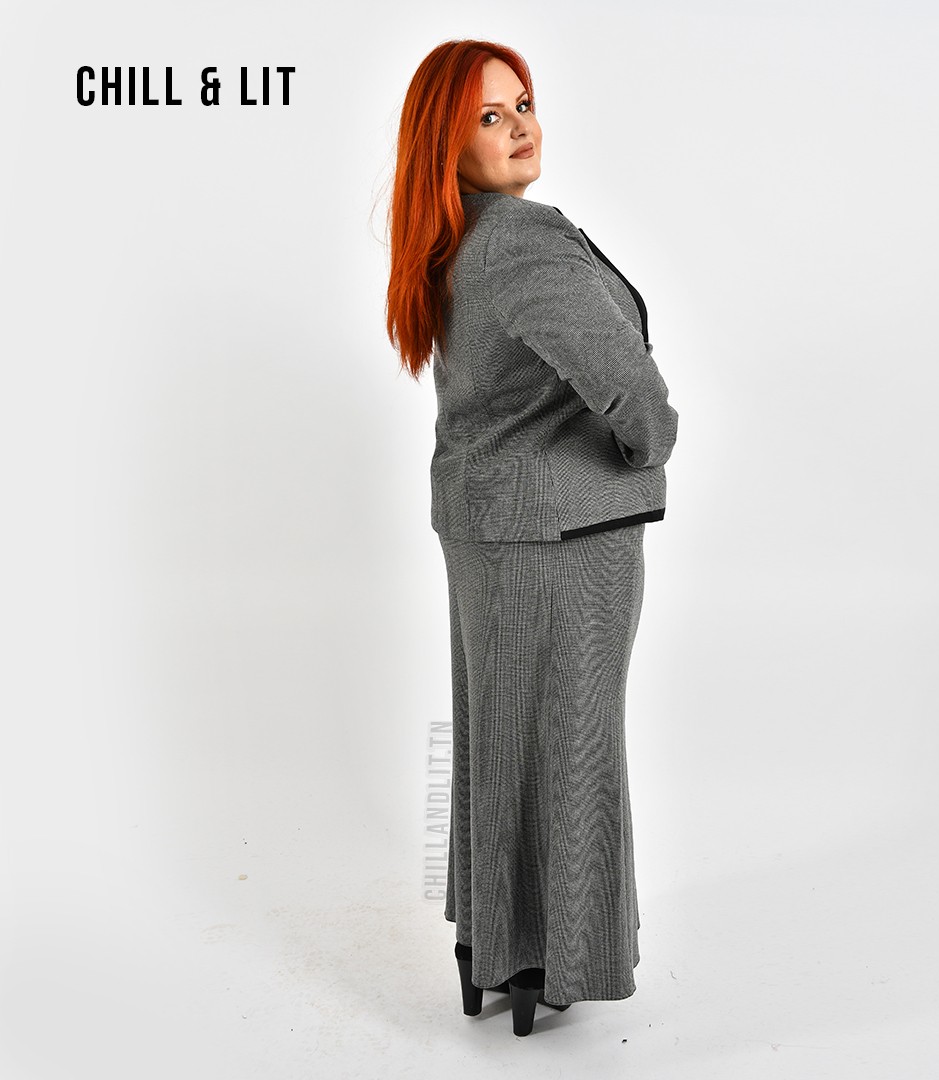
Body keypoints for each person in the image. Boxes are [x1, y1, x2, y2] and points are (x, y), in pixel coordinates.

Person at [384, 39, 678, 1037]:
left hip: (484, 524)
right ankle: (557, 961)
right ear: (445, 142)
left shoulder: (455, 240)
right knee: (575, 747)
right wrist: (649, 445)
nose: (520, 127)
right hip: (564, 532)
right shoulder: (520, 239)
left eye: (523, 104)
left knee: (501, 741)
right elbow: (628, 384)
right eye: (489, 116)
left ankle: (495, 949)